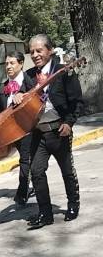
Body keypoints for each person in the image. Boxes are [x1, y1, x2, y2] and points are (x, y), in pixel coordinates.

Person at [25, 34, 83, 230]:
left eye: (39, 50)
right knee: (37, 171)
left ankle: (73, 205)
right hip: (38, 133)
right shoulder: (29, 75)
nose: (35, 55)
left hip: (59, 129)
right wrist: (17, 96)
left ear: (49, 50)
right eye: (32, 51)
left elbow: (76, 100)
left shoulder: (63, 71)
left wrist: (69, 122)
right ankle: (45, 213)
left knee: (67, 171)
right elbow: (21, 102)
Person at [0, 51, 36, 207]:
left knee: (25, 159)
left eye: (12, 63)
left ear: (21, 63)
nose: (8, 66)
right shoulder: (3, 87)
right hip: (10, 131)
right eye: (6, 63)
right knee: (24, 159)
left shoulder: (29, 81)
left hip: (26, 129)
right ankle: (27, 187)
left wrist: (22, 95)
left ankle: (22, 192)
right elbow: (0, 108)